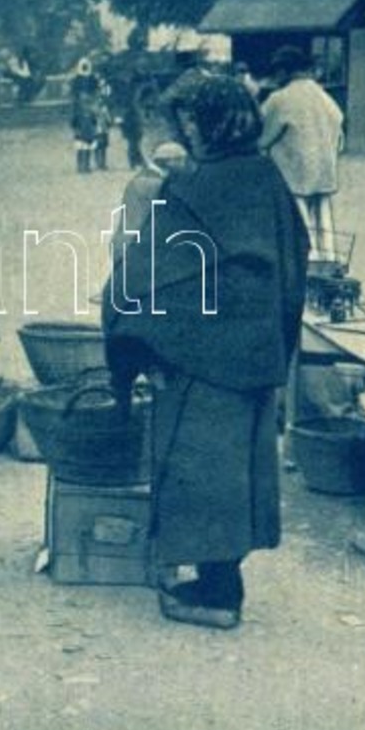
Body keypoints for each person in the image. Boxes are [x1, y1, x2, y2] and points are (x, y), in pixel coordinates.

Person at [102, 71, 308, 629]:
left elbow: (146, 273)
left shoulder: (197, 187)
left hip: (198, 353)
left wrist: (130, 332)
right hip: (255, 351)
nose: (185, 128)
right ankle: (222, 580)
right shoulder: (267, 178)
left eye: (191, 118)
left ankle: (217, 597)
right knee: (237, 469)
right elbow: (294, 261)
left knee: (199, 467)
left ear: (213, 122)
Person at [259, 45, 345, 261]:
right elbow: (339, 124)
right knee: (324, 219)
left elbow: (263, 136)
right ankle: (330, 262)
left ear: (285, 71)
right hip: (324, 167)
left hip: (293, 169)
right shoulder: (323, 95)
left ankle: (308, 265)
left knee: (300, 223)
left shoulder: (280, 99)